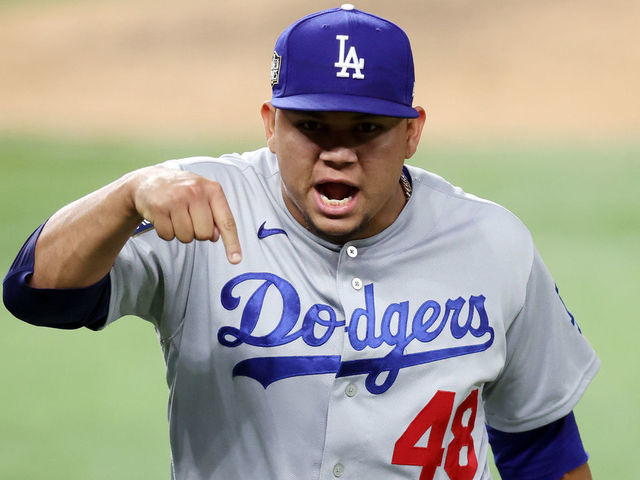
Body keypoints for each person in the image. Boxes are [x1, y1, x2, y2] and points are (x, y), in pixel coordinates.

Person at [3, 5, 599, 480]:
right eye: (312, 126)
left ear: (413, 131)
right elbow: (39, 293)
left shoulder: (492, 244)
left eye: (367, 129)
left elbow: (539, 445)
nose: (339, 152)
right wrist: (127, 194)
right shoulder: (198, 201)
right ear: (269, 123)